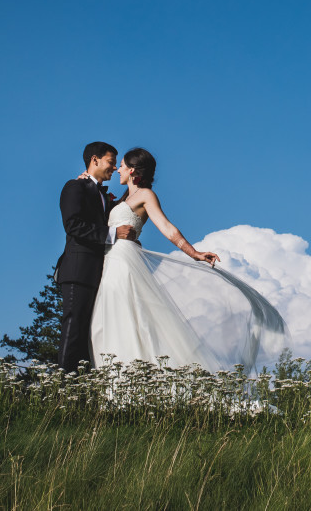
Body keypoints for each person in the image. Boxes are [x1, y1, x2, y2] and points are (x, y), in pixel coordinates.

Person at [90, 147, 286, 373]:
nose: (118, 170)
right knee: (110, 317)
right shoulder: (124, 198)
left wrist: (193, 252)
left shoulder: (145, 195)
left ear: (132, 170)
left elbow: (166, 226)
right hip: (110, 259)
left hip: (123, 262)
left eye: (122, 165)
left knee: (124, 313)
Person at [56, 141, 136, 372]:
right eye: (111, 162)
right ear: (95, 160)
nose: (113, 168)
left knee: (90, 333)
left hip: (100, 273)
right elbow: (73, 226)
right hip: (78, 271)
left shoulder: (102, 195)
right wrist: (113, 233)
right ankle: (64, 390)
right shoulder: (74, 187)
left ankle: (81, 390)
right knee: (73, 330)